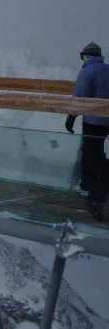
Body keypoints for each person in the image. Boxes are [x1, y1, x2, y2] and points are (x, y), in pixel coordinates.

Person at [66, 41, 109, 221]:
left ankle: (95, 198)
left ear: (86, 56)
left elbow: (79, 98)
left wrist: (71, 117)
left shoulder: (87, 71)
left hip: (93, 121)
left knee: (94, 156)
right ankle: (88, 183)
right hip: (107, 122)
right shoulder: (107, 69)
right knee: (90, 151)